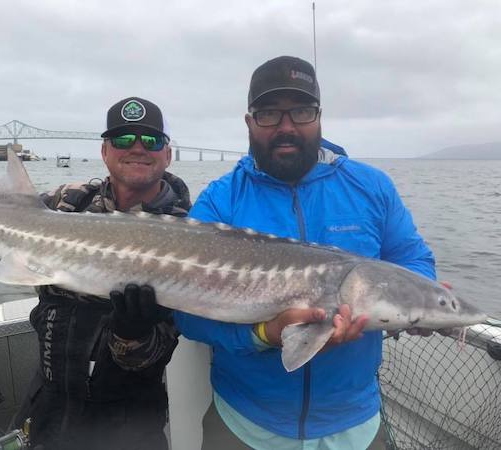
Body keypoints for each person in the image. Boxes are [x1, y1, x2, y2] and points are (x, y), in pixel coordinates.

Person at [173, 56, 436, 450]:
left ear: (319, 116)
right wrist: (265, 334)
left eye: (301, 111)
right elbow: (188, 317)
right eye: (268, 114)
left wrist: (417, 304)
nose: (286, 127)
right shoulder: (220, 200)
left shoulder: (371, 187)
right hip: (245, 423)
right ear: (249, 122)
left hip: (355, 423)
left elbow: (414, 262)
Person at [0, 97, 191, 450]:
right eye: (124, 140)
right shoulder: (70, 201)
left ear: (168, 154)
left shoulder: (189, 232)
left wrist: (132, 332)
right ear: (105, 152)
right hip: (50, 396)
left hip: (131, 414)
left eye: (151, 140)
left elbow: (160, 349)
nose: (137, 148)